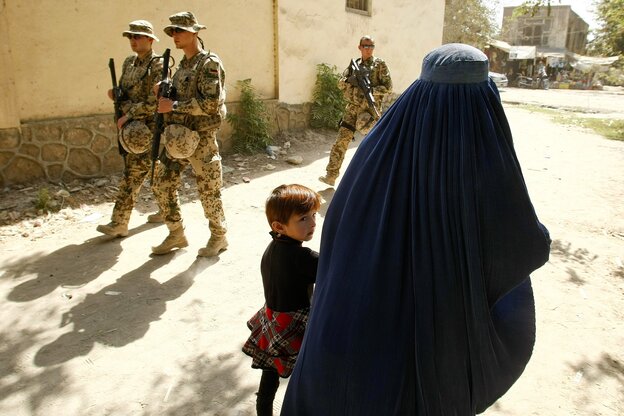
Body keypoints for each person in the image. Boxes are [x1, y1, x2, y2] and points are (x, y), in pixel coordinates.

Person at [282, 44, 551, 415]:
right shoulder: (486, 164)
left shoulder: (373, 151)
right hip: (436, 352)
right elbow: (519, 249)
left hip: (348, 344)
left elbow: (339, 233)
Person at [151, 11, 228, 257]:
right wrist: (164, 93)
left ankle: (219, 236)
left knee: (208, 190)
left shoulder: (208, 63)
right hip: (178, 136)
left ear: (194, 32)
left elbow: (210, 104)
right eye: (172, 31)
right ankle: (176, 232)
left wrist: (173, 106)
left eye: (179, 31)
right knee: (160, 182)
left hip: (201, 138)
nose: (174, 35)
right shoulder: (182, 65)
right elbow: (179, 96)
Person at [242, 184, 321, 416]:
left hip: (271, 321)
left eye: (314, 215)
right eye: (303, 218)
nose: (313, 223)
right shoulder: (303, 258)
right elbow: (336, 270)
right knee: (310, 375)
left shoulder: (272, 248)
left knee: (269, 377)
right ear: (279, 226)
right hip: (294, 326)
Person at [97, 20, 165, 237]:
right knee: (154, 172)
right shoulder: (128, 62)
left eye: (137, 37)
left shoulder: (158, 65)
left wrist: (129, 114)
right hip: (129, 128)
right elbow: (126, 92)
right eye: (130, 37)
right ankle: (167, 210)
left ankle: (119, 223)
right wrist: (116, 94)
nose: (133, 41)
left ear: (150, 39)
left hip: (146, 129)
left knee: (133, 174)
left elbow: (155, 101)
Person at [318, 35, 392, 187]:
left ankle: (379, 179)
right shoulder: (354, 65)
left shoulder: (380, 65)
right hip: (351, 110)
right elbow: (340, 83)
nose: (368, 49)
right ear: (359, 47)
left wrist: (371, 89)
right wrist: (350, 80)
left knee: (373, 145)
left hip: (369, 113)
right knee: (341, 141)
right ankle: (331, 175)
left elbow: (388, 87)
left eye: (371, 46)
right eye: (365, 46)